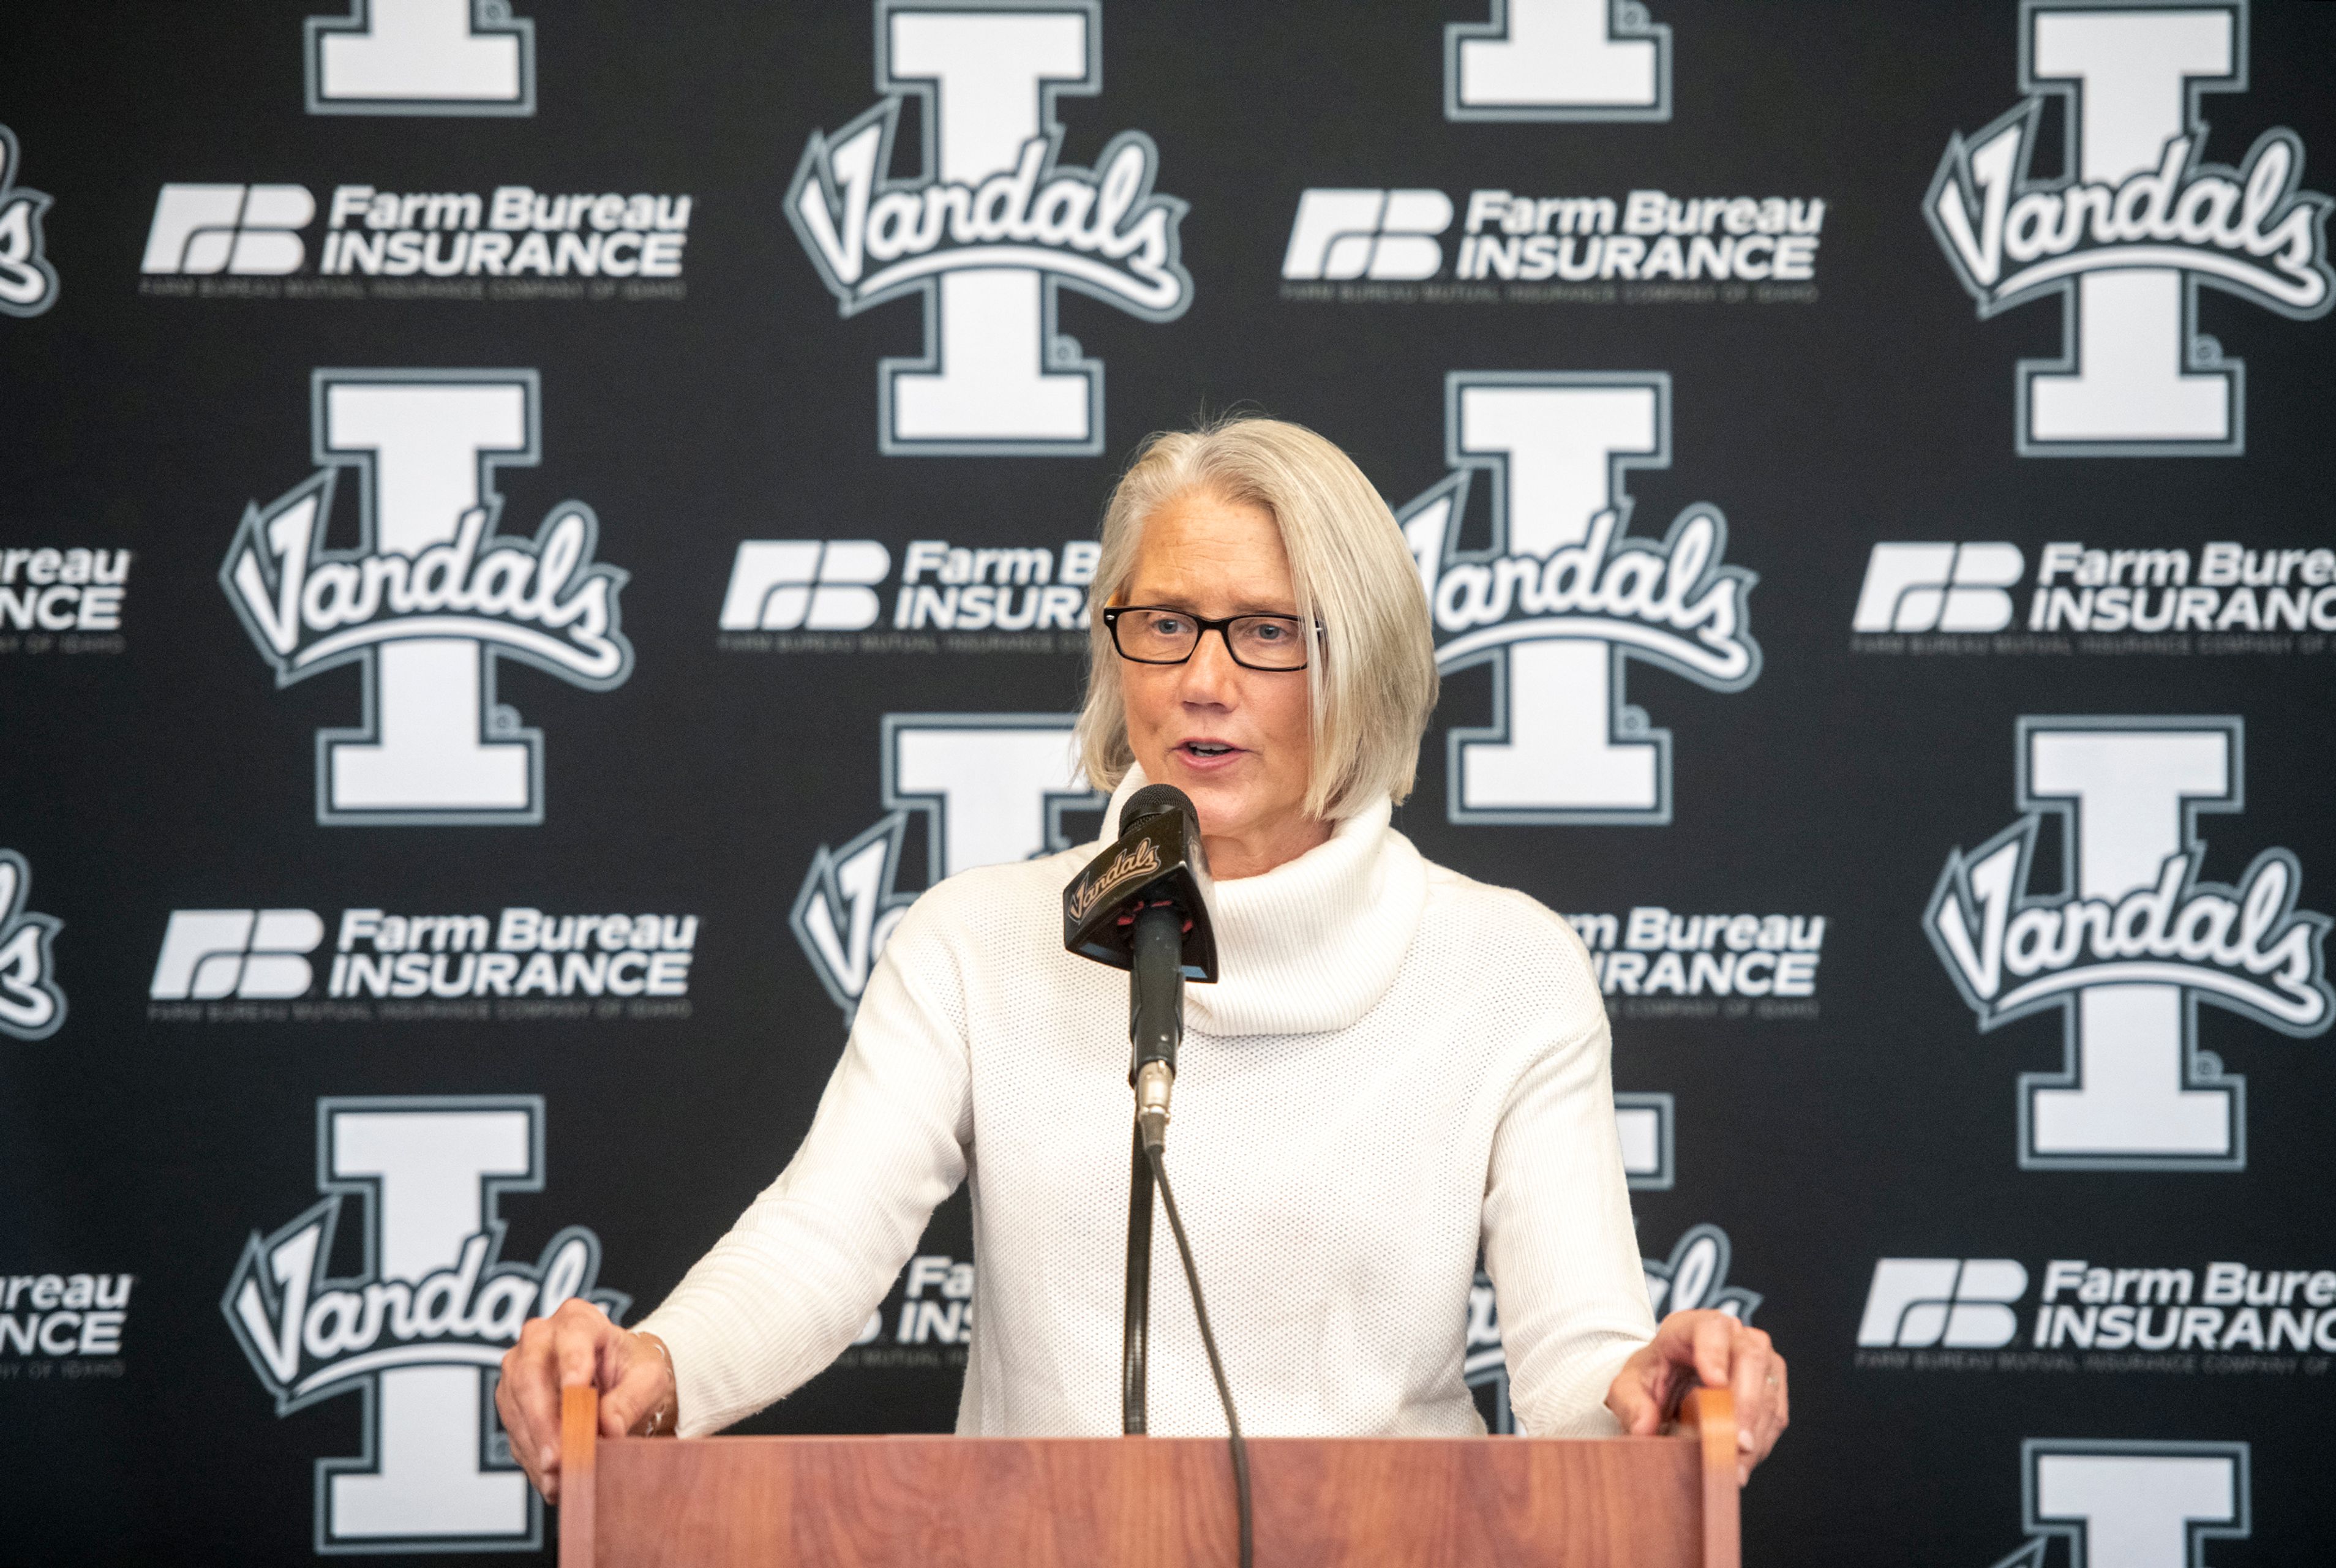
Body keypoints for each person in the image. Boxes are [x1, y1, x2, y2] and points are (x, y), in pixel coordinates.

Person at [495, 416, 1790, 1498]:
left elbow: (1579, 1362)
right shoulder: (975, 942)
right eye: (1163, 623)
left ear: (1367, 662)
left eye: (1269, 632)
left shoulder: (1507, 968)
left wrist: (1652, 1400)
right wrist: (653, 1369)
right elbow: (820, 1247)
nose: (1202, 682)